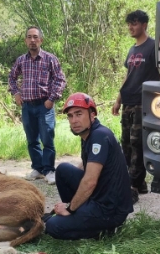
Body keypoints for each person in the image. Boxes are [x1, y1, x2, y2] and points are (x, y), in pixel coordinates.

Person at [45, 93, 134, 240]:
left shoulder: (99, 136)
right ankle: (78, 214)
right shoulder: (88, 134)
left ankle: (103, 230)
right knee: (63, 170)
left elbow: (90, 181)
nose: (74, 121)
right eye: (70, 116)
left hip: (109, 210)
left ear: (92, 115)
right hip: (101, 194)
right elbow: (87, 165)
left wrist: (69, 208)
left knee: (52, 225)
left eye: (79, 114)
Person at [111, 9, 160, 197]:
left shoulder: (154, 47)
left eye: (134, 23)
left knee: (138, 144)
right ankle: (139, 184)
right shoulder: (132, 50)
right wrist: (118, 100)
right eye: (129, 24)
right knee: (126, 143)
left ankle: (132, 185)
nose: (131, 27)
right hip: (128, 102)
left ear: (144, 25)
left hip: (144, 103)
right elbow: (128, 76)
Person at [8, 27, 66, 184]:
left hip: (44, 105)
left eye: (35, 37)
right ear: (25, 40)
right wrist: (16, 94)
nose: (32, 40)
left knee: (47, 139)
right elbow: (12, 77)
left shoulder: (50, 59)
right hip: (27, 106)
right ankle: (38, 168)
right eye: (29, 37)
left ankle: (49, 170)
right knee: (32, 139)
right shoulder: (21, 60)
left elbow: (60, 80)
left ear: (41, 40)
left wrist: (52, 99)